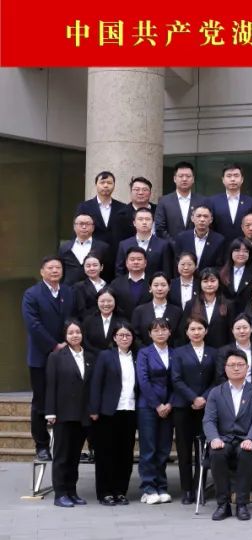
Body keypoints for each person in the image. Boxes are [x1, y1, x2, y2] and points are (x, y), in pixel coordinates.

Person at [202, 347, 252, 521]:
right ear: (225, 368)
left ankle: (241, 503)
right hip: (223, 439)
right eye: (232, 365)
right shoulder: (216, 392)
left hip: (246, 439)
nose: (236, 368)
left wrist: (251, 438)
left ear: (247, 368)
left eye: (240, 364)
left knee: (246, 452)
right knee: (217, 453)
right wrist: (214, 438)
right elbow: (208, 420)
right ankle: (223, 504)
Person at [169, 317, 219, 505]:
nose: (196, 332)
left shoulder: (214, 352)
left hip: (206, 407)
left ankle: (199, 488)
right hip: (183, 406)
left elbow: (217, 379)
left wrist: (204, 398)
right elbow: (176, 379)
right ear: (187, 332)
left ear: (206, 331)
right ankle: (186, 490)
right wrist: (193, 398)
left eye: (200, 328)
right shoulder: (178, 352)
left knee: (203, 449)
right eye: (192, 329)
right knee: (184, 449)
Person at [45, 320, 94, 508]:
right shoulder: (56, 357)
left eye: (78, 332)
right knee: (62, 456)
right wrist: (50, 412)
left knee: (74, 456)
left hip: (82, 414)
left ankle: (72, 491)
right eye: (71, 332)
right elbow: (51, 385)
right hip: (63, 414)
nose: (75, 335)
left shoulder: (89, 356)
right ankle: (60, 494)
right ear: (65, 336)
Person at [88, 321, 138, 505]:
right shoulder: (105, 356)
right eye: (121, 335)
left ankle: (120, 491)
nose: (124, 338)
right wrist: (94, 409)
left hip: (130, 410)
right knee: (105, 453)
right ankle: (105, 492)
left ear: (132, 338)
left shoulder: (137, 356)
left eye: (128, 335)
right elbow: (96, 383)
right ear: (114, 338)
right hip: (108, 412)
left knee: (125, 454)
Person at [135, 318, 175, 504]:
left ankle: (161, 486)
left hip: (169, 407)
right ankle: (148, 488)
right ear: (150, 334)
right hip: (148, 406)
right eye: (156, 330)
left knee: (164, 449)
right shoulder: (144, 353)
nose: (160, 333)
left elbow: (178, 380)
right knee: (149, 448)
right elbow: (143, 380)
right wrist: (157, 405)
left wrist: (170, 404)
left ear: (170, 332)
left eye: (164, 329)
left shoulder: (174, 353)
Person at [76, 171, 131, 253]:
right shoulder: (84, 207)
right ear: (96, 185)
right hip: (91, 253)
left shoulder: (123, 208)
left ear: (114, 185)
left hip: (116, 253)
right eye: (102, 182)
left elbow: (127, 233)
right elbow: (78, 229)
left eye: (109, 183)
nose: (106, 185)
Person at [183, 268, 235, 348]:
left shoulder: (228, 305)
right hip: (197, 349)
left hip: (221, 349)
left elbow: (232, 332)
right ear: (200, 283)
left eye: (213, 281)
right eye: (205, 281)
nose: (209, 284)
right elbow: (184, 331)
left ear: (219, 282)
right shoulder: (190, 304)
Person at [115, 207, 173, 279]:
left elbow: (167, 271)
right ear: (134, 223)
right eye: (140, 219)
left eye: (148, 219)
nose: (144, 222)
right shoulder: (124, 245)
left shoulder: (163, 245)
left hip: (155, 284)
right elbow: (119, 272)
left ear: (153, 222)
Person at [209, 164, 252, 243]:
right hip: (219, 245)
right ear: (223, 180)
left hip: (244, 246)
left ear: (242, 179)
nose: (232, 179)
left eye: (236, 176)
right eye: (229, 176)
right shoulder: (212, 201)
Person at [155, 162, 206, 239]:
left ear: (193, 179)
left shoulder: (202, 201)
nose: (184, 179)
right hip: (170, 245)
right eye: (181, 176)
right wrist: (174, 244)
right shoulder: (164, 201)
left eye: (188, 176)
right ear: (174, 179)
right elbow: (160, 229)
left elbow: (207, 226)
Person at [61, 214, 113, 285]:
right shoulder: (64, 247)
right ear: (74, 227)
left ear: (93, 227)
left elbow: (108, 271)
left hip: (95, 288)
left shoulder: (103, 247)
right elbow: (61, 268)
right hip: (69, 287)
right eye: (81, 224)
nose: (84, 227)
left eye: (87, 224)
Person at [172, 205, 226, 271]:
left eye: (205, 216)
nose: (202, 219)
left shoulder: (219, 240)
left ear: (211, 220)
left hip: (208, 276)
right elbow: (177, 262)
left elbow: (219, 265)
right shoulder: (182, 238)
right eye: (198, 216)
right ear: (192, 218)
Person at [109, 246, 151, 319]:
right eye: (132, 259)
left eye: (139, 259)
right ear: (126, 263)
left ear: (145, 263)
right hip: (123, 323)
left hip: (148, 322)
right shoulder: (116, 283)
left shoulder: (153, 282)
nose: (136, 262)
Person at [219, 238, 252, 310]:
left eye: (245, 251)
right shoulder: (222, 272)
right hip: (226, 312)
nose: (241, 254)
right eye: (237, 250)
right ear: (231, 252)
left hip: (248, 312)